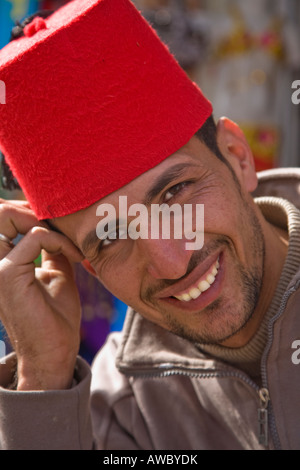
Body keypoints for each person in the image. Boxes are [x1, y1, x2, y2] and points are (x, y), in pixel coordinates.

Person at [0, 0, 299, 450]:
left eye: (174, 192)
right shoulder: (124, 405)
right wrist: (43, 373)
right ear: (89, 268)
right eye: (112, 235)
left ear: (238, 157)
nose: (171, 261)